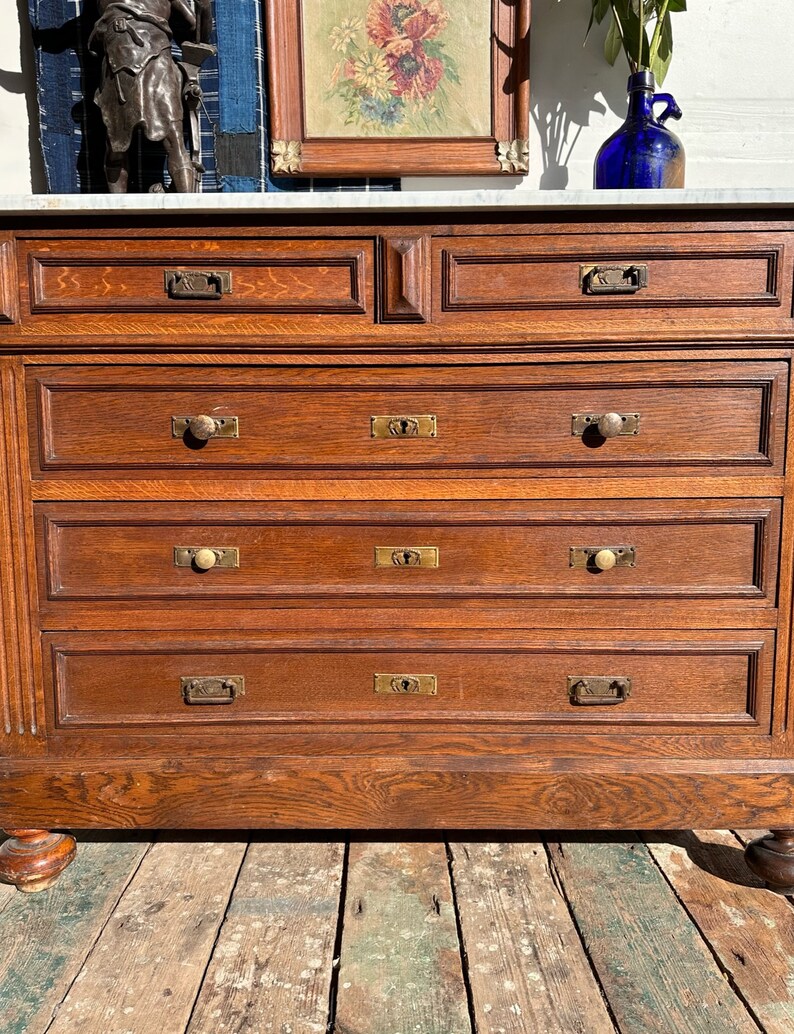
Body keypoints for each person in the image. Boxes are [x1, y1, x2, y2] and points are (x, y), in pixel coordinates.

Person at [89, 0, 213, 192]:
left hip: (157, 56)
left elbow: (198, 34)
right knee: (115, 145)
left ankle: (188, 207)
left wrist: (204, 8)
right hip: (117, 57)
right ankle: (116, 211)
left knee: (173, 137)